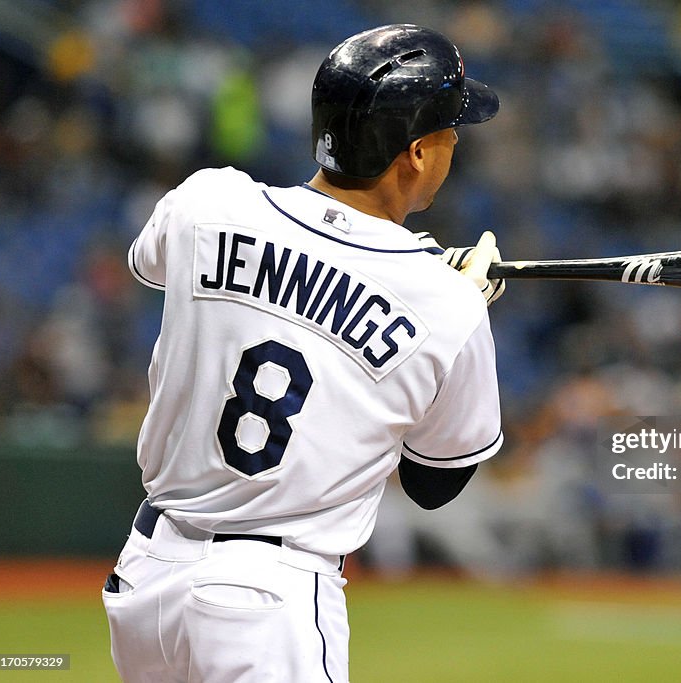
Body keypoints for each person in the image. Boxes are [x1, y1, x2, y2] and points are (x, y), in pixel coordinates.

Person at [103, 24, 505, 683]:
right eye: (448, 131)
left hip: (146, 577)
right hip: (268, 601)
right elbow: (437, 480)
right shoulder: (444, 304)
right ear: (415, 153)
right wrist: (452, 296)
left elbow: (158, 267)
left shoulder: (209, 201)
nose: (455, 142)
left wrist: (401, 271)